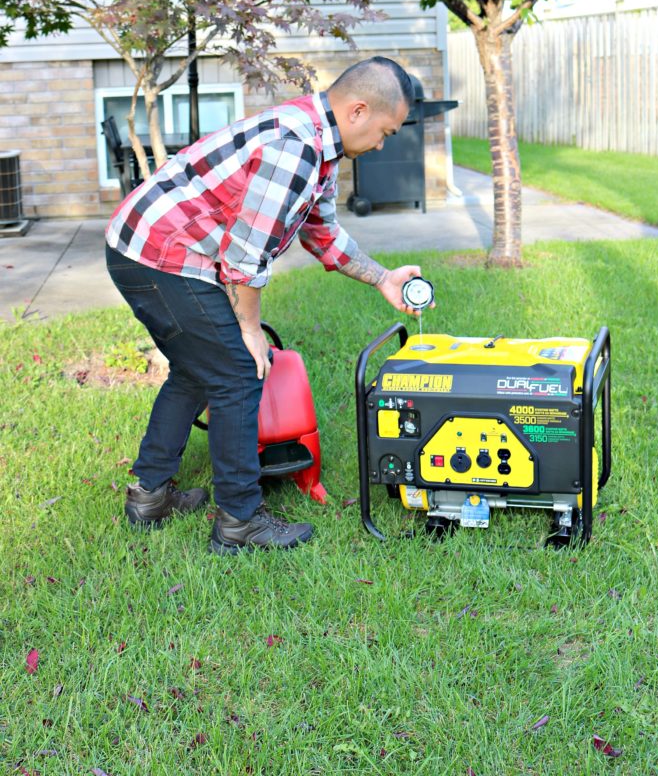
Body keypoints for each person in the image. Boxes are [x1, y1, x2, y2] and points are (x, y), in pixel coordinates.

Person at [105, 55, 425, 555]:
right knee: (236, 370)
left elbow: (322, 233)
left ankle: (149, 496)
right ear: (359, 110)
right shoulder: (296, 146)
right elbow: (245, 254)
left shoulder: (321, 147)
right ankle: (239, 520)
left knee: (197, 369)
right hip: (158, 255)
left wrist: (383, 278)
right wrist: (249, 328)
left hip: (155, 248)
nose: (383, 143)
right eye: (386, 131)